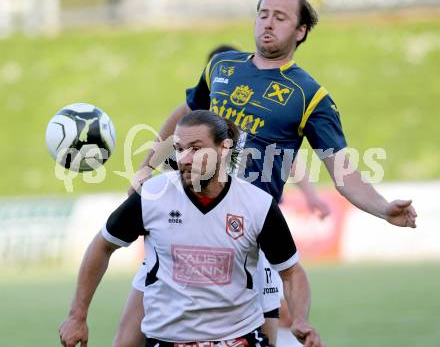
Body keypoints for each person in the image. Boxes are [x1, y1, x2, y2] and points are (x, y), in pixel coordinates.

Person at [124, 0, 417, 346]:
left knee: (269, 331)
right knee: (128, 336)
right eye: (263, 14)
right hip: (185, 218)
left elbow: (345, 174)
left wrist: (383, 208)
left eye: (280, 17)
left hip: (245, 232)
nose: (267, 23)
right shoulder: (221, 66)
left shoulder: (310, 96)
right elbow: (184, 114)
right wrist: (145, 167)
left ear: (300, 31)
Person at [59, 110, 325, 347]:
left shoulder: (257, 205)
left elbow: (291, 272)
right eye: (179, 149)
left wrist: (301, 318)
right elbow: (103, 245)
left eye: (196, 149)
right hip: (167, 340)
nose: (184, 158)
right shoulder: (153, 195)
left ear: (224, 148)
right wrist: (77, 316)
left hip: (238, 339)